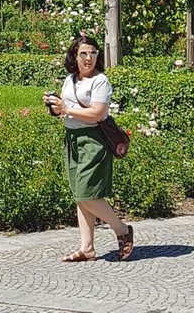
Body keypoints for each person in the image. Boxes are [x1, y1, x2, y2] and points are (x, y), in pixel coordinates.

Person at [43, 35, 134, 262]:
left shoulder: (100, 81)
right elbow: (64, 111)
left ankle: (122, 229)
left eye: (93, 53)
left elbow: (97, 113)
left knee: (87, 193)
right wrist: (55, 107)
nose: (88, 58)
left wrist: (66, 108)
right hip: (72, 139)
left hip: (93, 141)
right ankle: (87, 248)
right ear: (75, 56)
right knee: (80, 195)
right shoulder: (70, 80)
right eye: (83, 53)